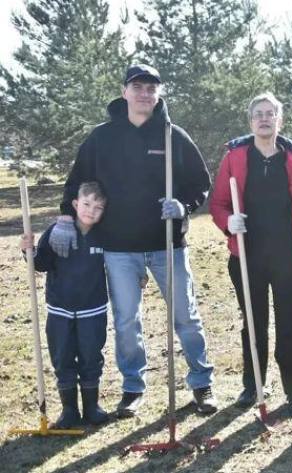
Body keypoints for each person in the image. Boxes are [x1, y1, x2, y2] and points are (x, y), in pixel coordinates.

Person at [53, 64, 216, 417]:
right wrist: (66, 216)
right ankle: (133, 387)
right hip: (118, 247)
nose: (144, 94)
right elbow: (75, 180)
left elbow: (200, 182)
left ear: (159, 94)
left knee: (185, 316)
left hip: (167, 243)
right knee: (127, 320)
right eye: (138, 87)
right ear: (124, 91)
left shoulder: (173, 135)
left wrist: (183, 206)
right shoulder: (102, 137)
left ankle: (202, 384)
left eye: (151, 88)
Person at [209, 93, 292, 414]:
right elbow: (218, 203)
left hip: (287, 257)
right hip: (247, 256)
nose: (265, 118)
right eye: (259, 114)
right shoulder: (235, 157)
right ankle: (253, 385)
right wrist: (228, 221)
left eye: (271, 113)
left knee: (290, 325)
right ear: (250, 121)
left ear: (279, 120)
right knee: (253, 323)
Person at [20, 182, 110, 429]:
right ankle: (69, 410)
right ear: (75, 204)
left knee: (91, 356)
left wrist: (138, 273)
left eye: (98, 207)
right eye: (86, 204)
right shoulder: (57, 231)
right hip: (60, 310)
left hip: (93, 310)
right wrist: (29, 251)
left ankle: (91, 407)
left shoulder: (104, 235)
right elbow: (41, 263)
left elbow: (118, 264)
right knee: (62, 357)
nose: (91, 211)